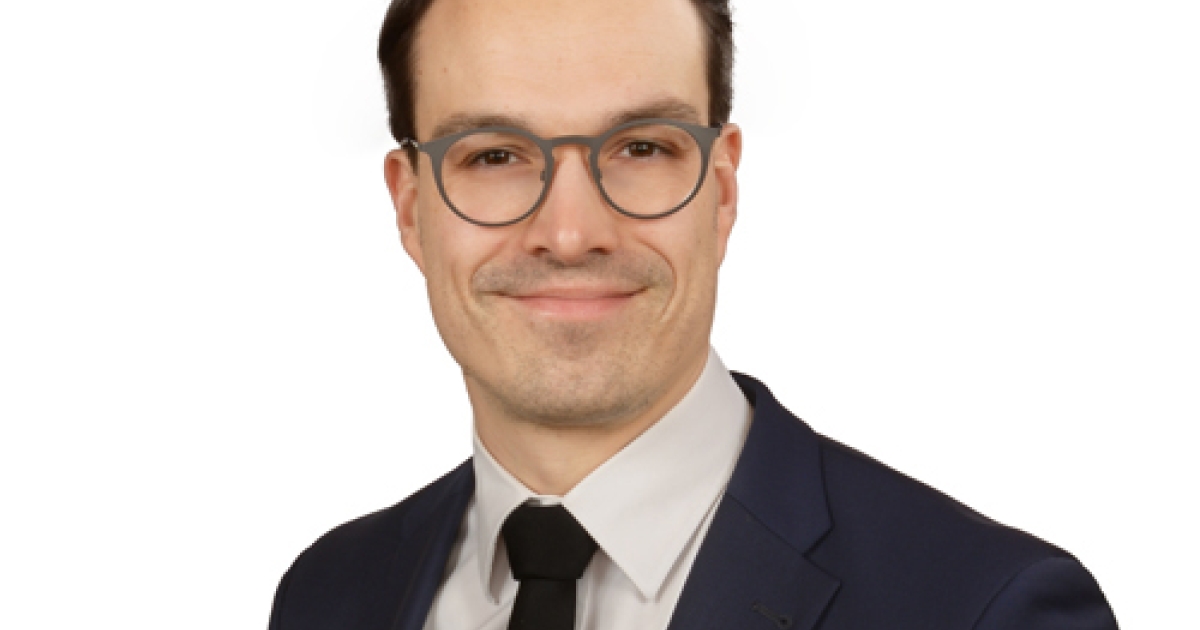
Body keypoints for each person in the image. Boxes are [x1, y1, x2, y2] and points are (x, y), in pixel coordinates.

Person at [269, 0, 1119, 628]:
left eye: (641, 148)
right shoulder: (329, 595)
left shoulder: (986, 608)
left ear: (721, 189)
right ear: (410, 206)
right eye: (494, 156)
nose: (571, 233)